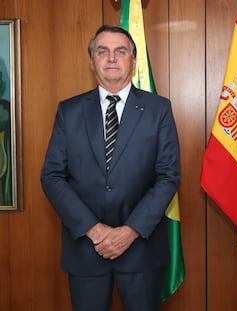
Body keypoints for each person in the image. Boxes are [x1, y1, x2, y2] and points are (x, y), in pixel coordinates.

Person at [40, 25, 180, 311]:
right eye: (102, 51)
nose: (112, 58)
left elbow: (167, 176)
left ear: (133, 60)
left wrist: (128, 231)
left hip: (141, 248)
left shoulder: (158, 109)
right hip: (85, 250)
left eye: (120, 51)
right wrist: (94, 230)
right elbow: (52, 176)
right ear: (92, 61)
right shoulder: (69, 111)